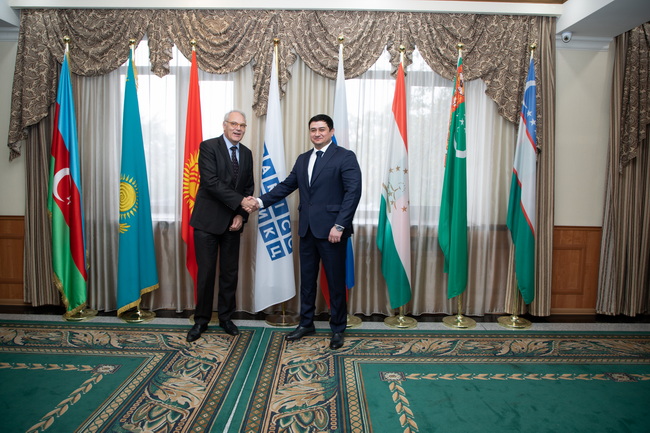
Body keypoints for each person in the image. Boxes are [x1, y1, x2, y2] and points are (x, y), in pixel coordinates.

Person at [249, 114, 362, 350]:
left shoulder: (345, 156)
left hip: (333, 232)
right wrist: (259, 202)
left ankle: (338, 329)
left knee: (335, 283)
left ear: (331, 132)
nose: (317, 134)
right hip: (307, 231)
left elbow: (353, 192)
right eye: (313, 130)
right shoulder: (303, 159)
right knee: (307, 282)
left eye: (322, 129)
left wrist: (340, 225)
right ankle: (306, 323)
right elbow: (286, 186)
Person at [186, 110, 256, 342]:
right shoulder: (208, 147)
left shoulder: (246, 153)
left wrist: (241, 215)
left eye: (242, 125)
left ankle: (226, 318)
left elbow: (248, 186)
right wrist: (242, 203)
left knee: (229, 273)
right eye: (234, 124)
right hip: (207, 222)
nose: (238, 129)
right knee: (206, 274)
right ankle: (201, 320)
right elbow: (211, 182)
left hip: (232, 224)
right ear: (224, 125)